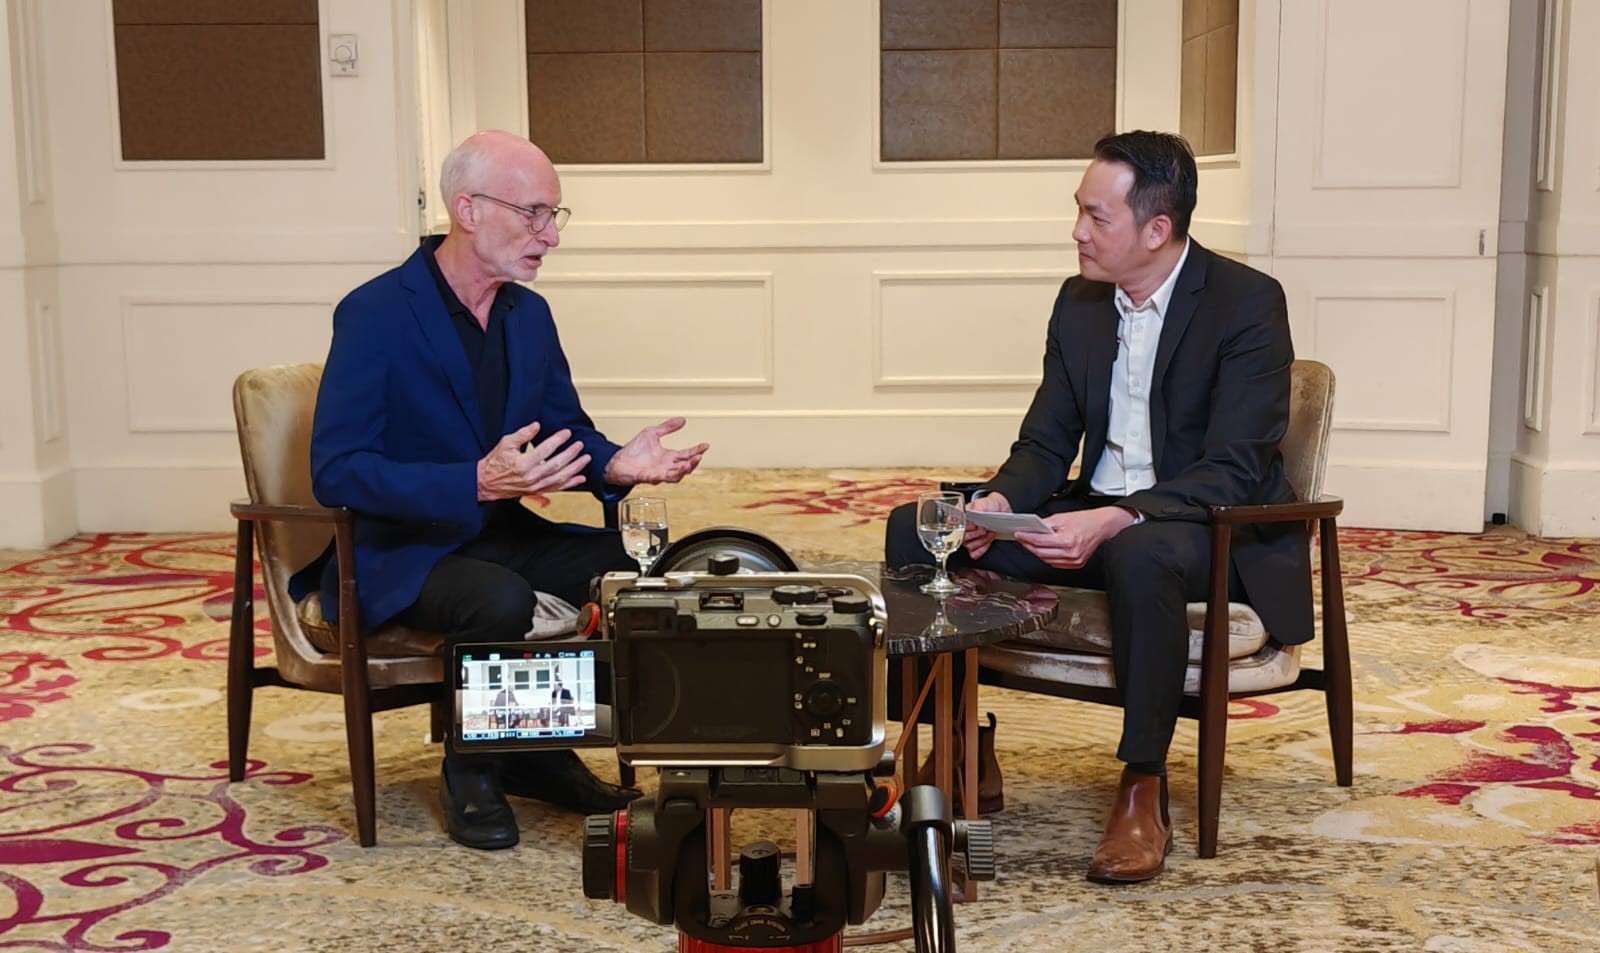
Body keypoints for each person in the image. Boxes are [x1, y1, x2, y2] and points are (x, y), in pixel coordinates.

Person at [884, 131, 1311, 884]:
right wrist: (1001, 501)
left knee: (1141, 552)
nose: (1077, 231)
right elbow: (1046, 441)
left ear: (1157, 229)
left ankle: (1143, 785)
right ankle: (956, 744)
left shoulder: (1246, 302)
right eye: (1078, 211)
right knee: (920, 528)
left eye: (1096, 216)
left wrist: (1120, 516)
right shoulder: (1079, 301)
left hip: (1200, 526)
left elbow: (1235, 467)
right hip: (1090, 513)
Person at [291, 130, 708, 851]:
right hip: (402, 551)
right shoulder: (376, 313)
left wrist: (614, 464)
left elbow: (565, 431)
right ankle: (473, 771)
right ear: (469, 210)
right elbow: (338, 470)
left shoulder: (528, 316)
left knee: (638, 567)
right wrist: (473, 481)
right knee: (498, 598)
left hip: (499, 535)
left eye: (555, 215)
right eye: (534, 213)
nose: (551, 235)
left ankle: (539, 750)